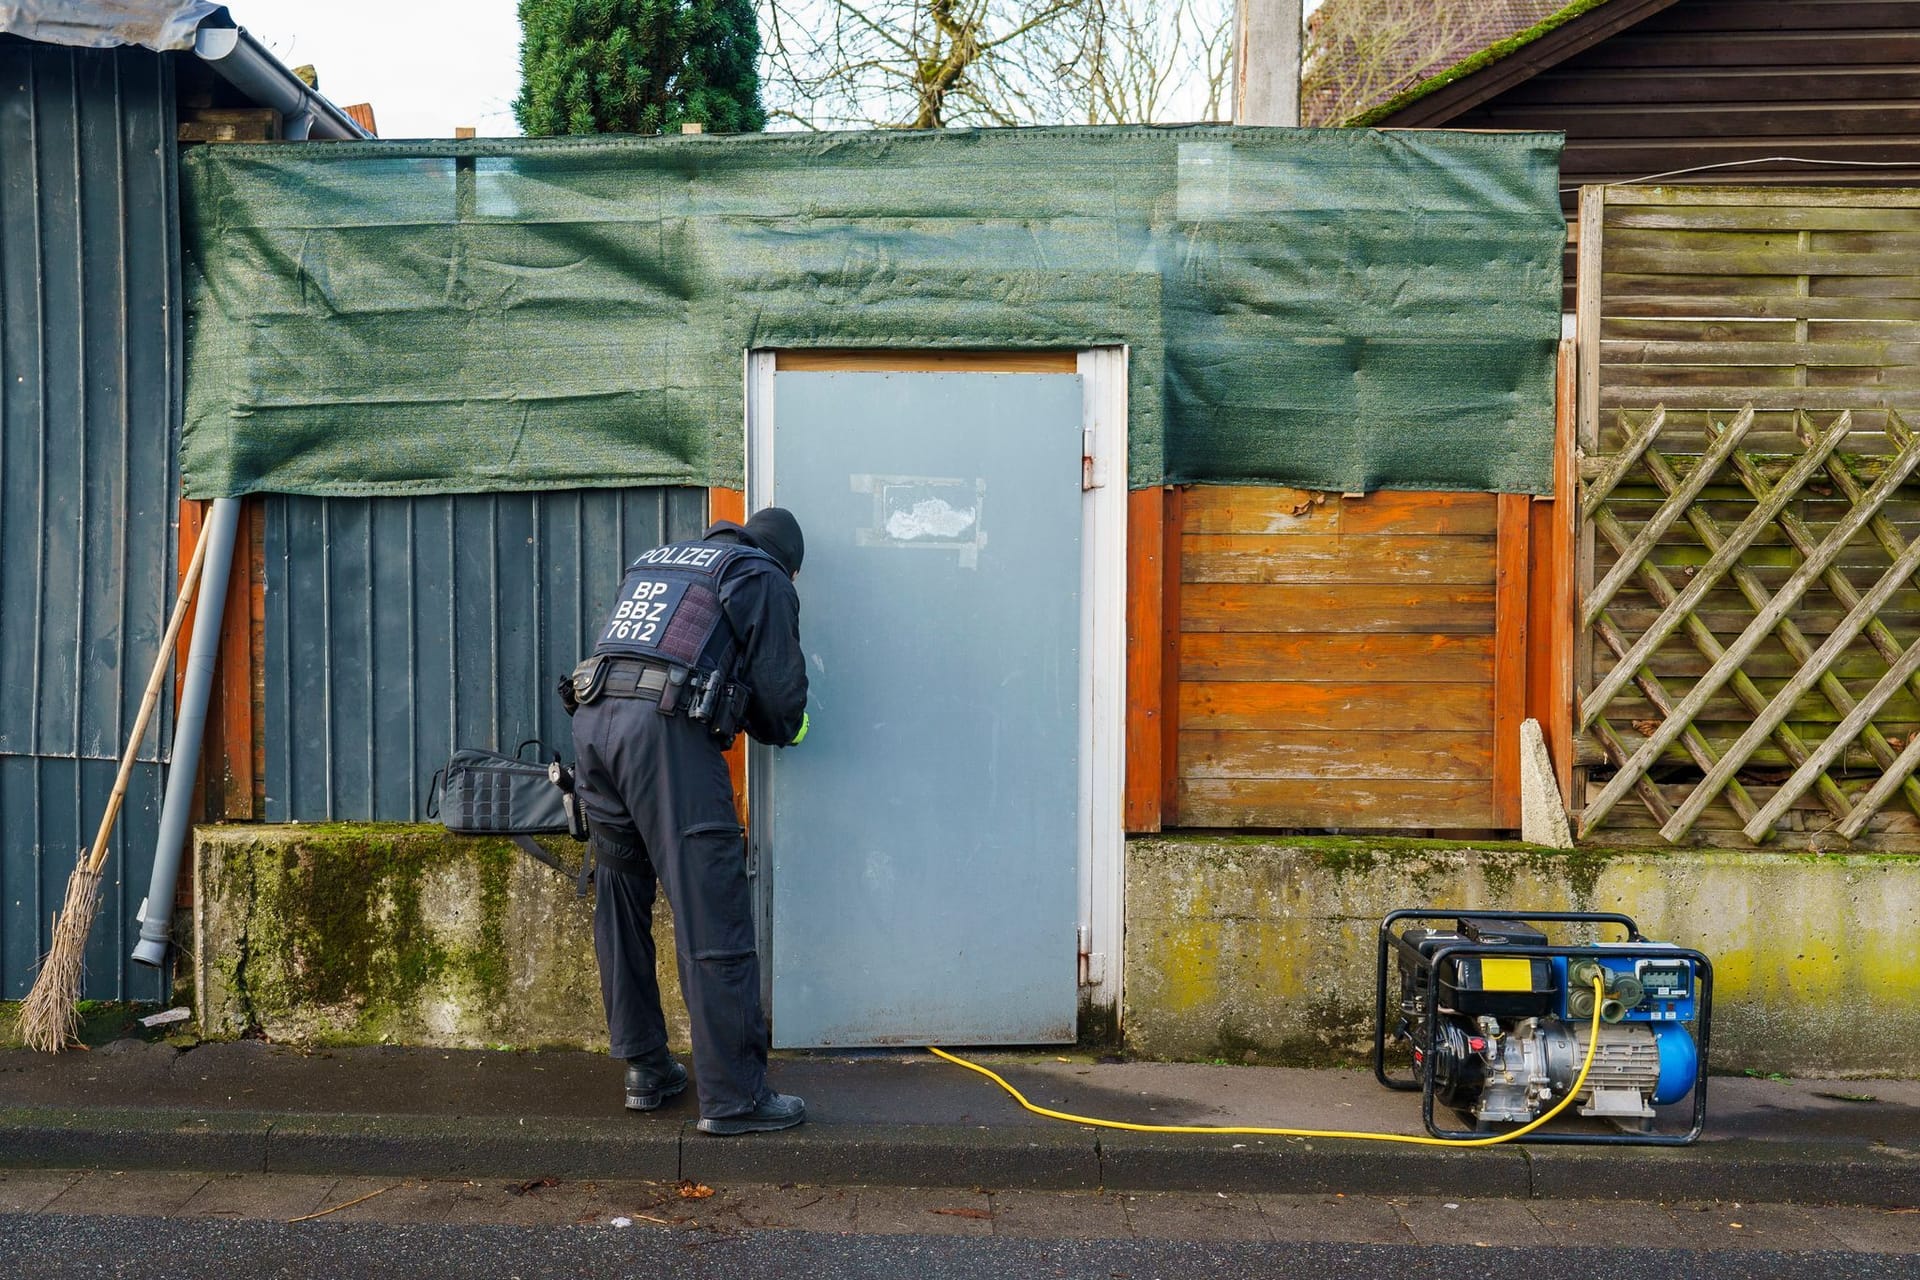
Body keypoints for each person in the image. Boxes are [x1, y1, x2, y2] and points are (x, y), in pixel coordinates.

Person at [565, 507, 810, 1135]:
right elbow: (782, 700)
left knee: (620, 902)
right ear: (787, 560)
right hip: (664, 739)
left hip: (594, 726)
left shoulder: (657, 562)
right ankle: (734, 1098)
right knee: (712, 908)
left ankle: (646, 1068)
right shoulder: (761, 573)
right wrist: (782, 727)